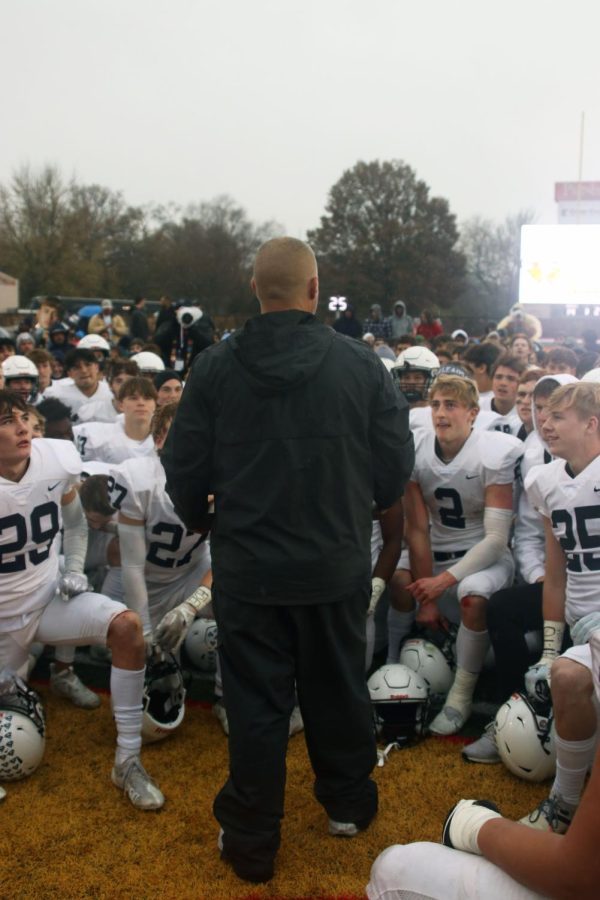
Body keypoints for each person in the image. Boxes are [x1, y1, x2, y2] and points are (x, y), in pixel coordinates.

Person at [161, 236, 414, 884]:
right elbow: (394, 466)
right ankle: (348, 806)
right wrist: (363, 504)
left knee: (256, 706)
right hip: (330, 565)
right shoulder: (359, 365)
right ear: (312, 289)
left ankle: (252, 841)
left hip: (252, 570)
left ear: (255, 289)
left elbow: (183, 467)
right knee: (336, 687)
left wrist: (206, 520)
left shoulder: (215, 367)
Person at [0, 390, 164, 809]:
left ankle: (127, 759)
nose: (23, 428)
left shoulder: (54, 459)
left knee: (126, 628)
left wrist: (73, 568)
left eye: (23, 417)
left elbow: (74, 526)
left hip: (44, 599)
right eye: (7, 421)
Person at [405, 374, 522, 735]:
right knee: (397, 584)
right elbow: (418, 529)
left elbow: (496, 539)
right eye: (436, 404)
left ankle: (460, 696)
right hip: (435, 554)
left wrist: (443, 581)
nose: (441, 413)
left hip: (483, 557)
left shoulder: (494, 452)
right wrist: (427, 599)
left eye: (451, 405)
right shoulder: (417, 447)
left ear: (473, 413)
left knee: (472, 596)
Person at [73, 376, 156, 464]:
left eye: (147, 398)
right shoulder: (95, 435)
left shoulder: (165, 439)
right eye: (133, 398)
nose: (141, 403)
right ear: (121, 405)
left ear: (155, 404)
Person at [42, 348, 112, 421]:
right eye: (77, 367)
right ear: (69, 373)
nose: (84, 371)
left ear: (97, 367)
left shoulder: (112, 393)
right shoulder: (56, 395)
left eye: (88, 365)